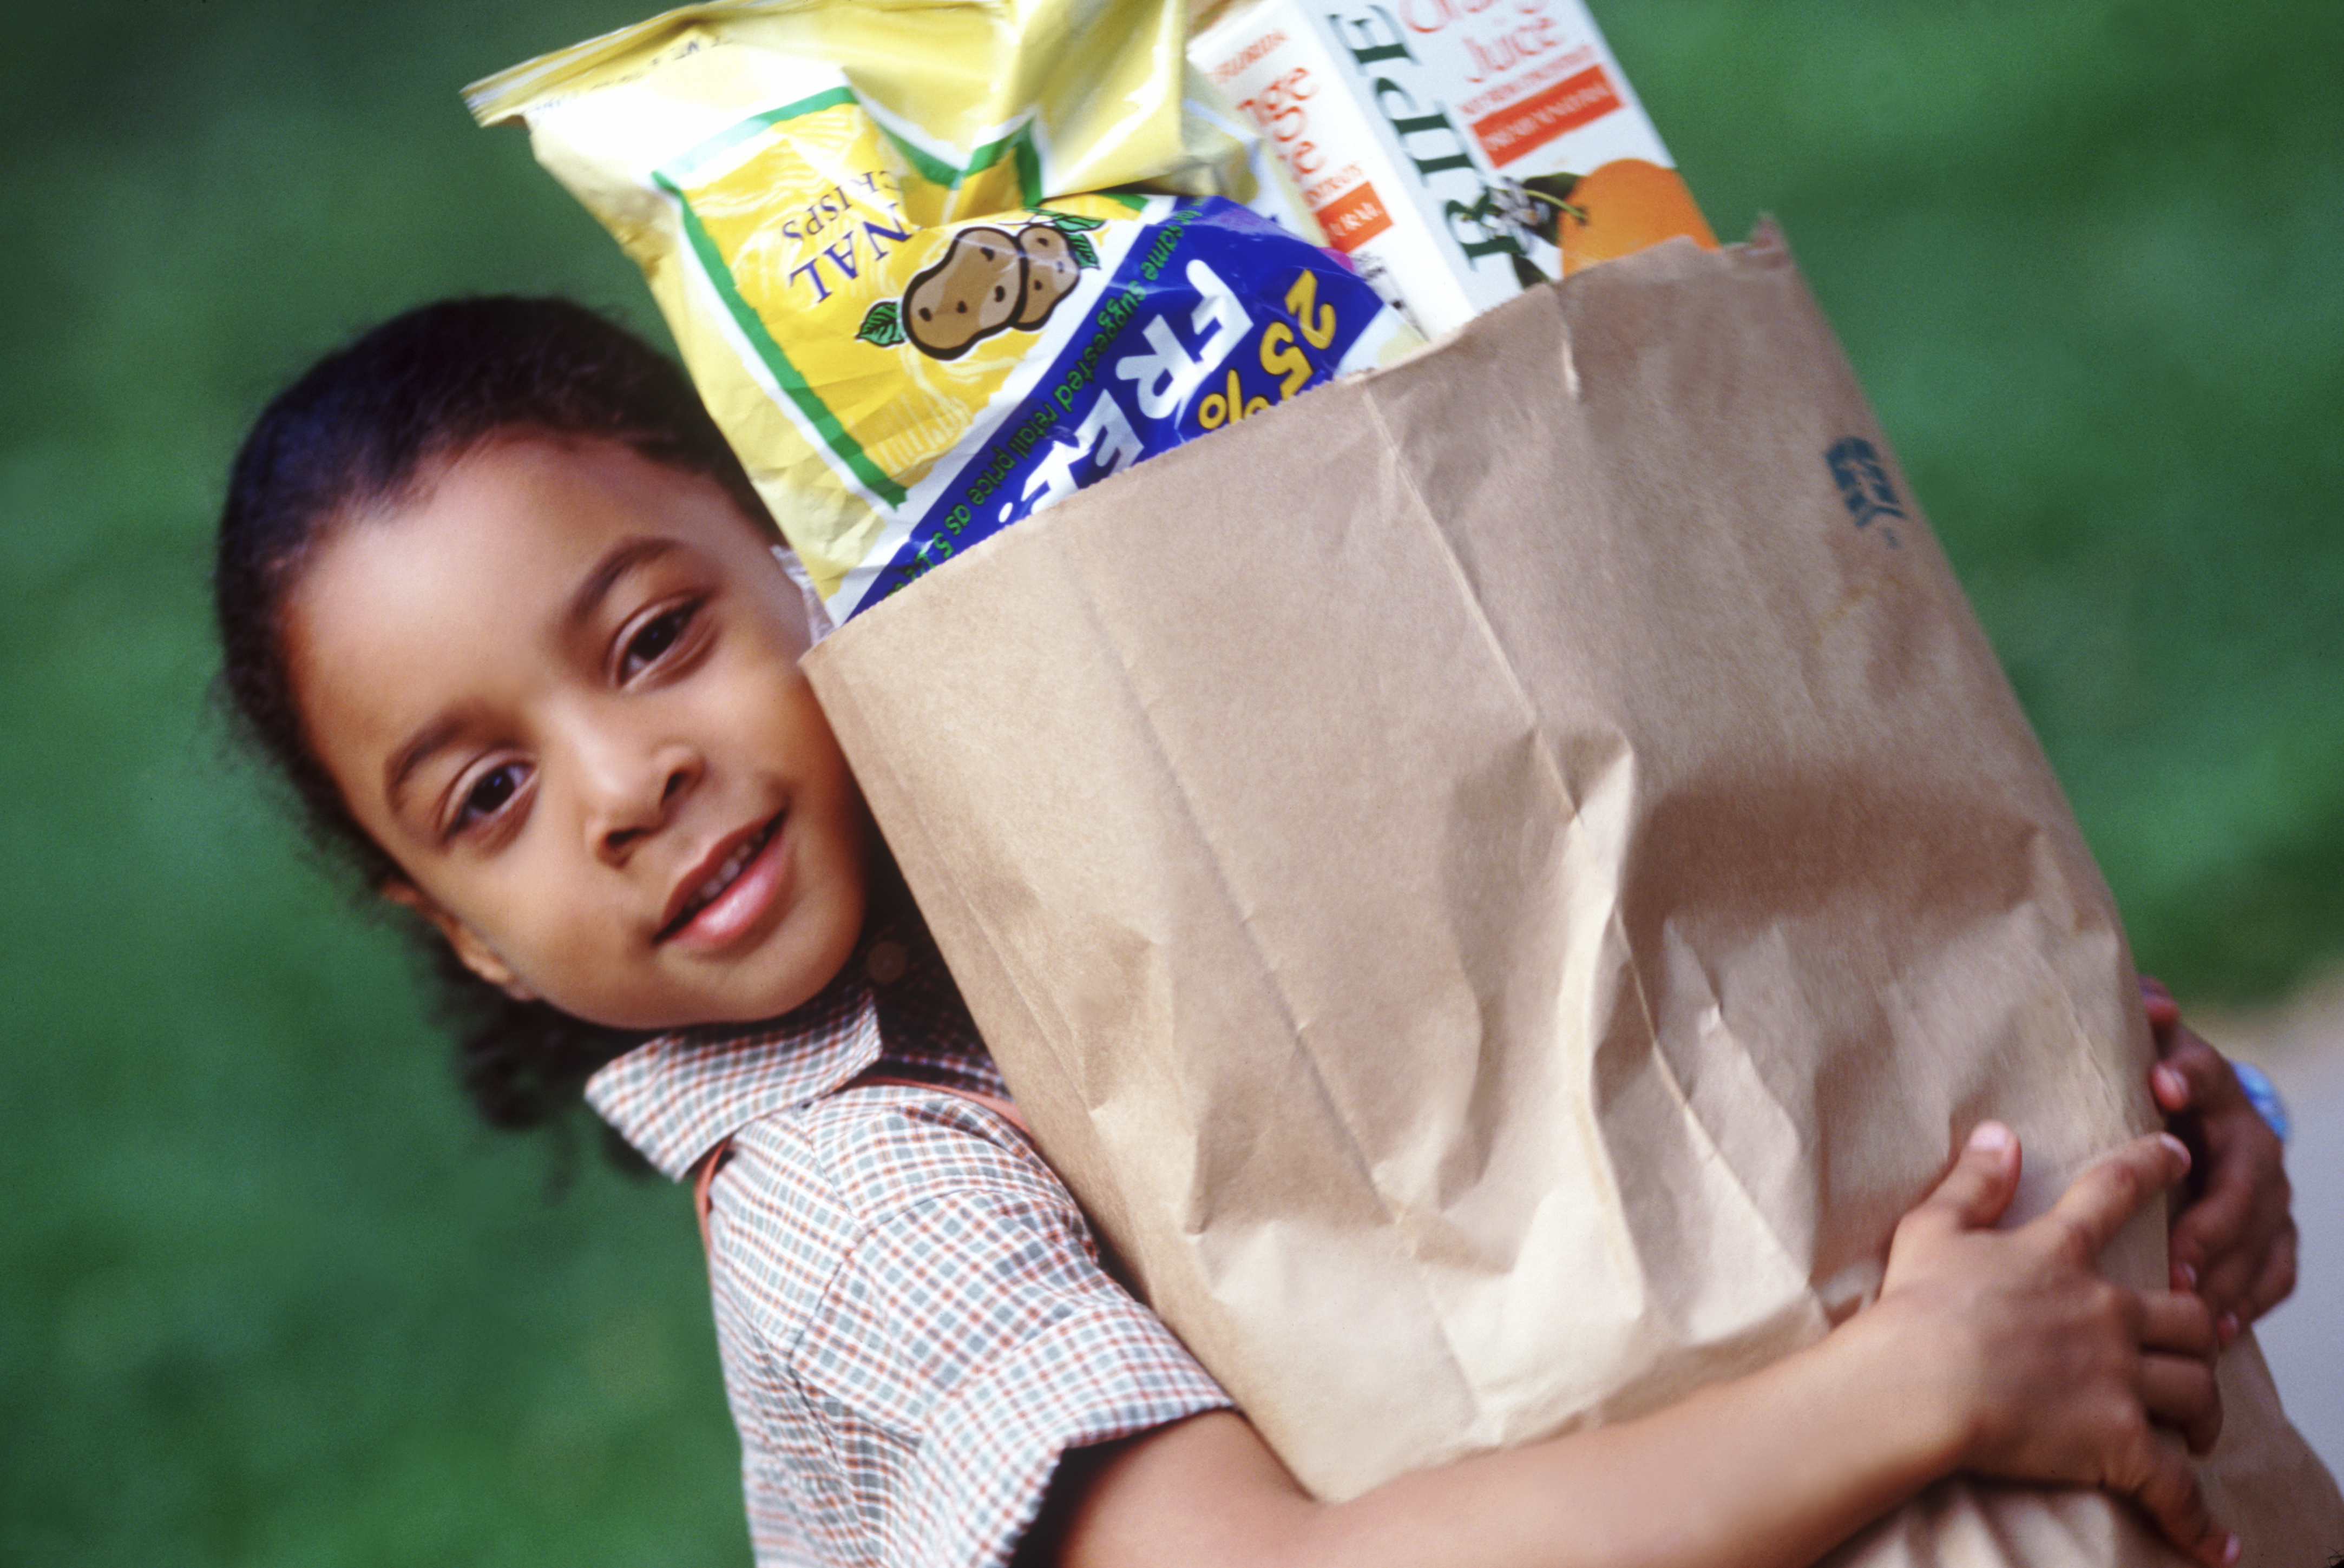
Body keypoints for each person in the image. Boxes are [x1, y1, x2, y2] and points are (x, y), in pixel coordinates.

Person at [214, 296, 2295, 1568]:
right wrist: (1911, 1391)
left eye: (655, 639)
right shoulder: (849, 1189)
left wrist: (2140, 1156)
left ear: (801, 555)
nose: (621, 782)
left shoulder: (1133, 855)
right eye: (486, 796)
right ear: (463, 935)